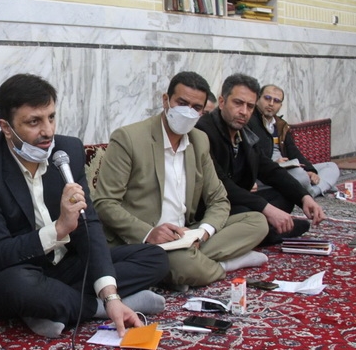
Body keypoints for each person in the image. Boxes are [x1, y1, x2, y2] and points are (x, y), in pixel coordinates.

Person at [0, 74, 170, 338]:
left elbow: (89, 223)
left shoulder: (67, 151)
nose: (48, 131)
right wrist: (58, 230)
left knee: (155, 257)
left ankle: (49, 307)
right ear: (6, 127)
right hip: (11, 271)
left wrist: (110, 293)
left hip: (62, 266)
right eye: (34, 122)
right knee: (21, 286)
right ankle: (94, 308)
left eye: (51, 117)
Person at [94, 71, 269, 289]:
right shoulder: (129, 138)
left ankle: (191, 265)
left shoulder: (199, 140)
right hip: (144, 240)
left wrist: (202, 233)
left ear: (203, 111)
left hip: (186, 234)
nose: (188, 111)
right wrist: (149, 233)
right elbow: (104, 203)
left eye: (196, 107)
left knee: (257, 221)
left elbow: (218, 199)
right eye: (182, 103)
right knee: (181, 263)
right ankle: (223, 265)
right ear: (166, 100)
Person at [195, 73, 326, 244]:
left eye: (250, 106)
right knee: (254, 216)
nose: (244, 112)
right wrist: (266, 208)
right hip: (213, 207)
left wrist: (304, 197)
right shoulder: (203, 131)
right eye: (238, 103)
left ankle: (264, 229)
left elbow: (269, 169)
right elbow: (220, 185)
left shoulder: (245, 133)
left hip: (239, 201)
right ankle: (267, 232)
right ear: (222, 102)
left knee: (284, 196)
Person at [249, 84, 341, 197]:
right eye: (267, 98)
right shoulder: (250, 121)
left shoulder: (280, 125)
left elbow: (293, 151)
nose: (271, 103)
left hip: (286, 168)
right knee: (301, 177)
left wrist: (311, 171)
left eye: (276, 101)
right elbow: (251, 154)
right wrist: (273, 164)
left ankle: (311, 190)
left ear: (280, 105)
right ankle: (316, 189)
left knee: (331, 167)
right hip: (265, 171)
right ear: (258, 98)